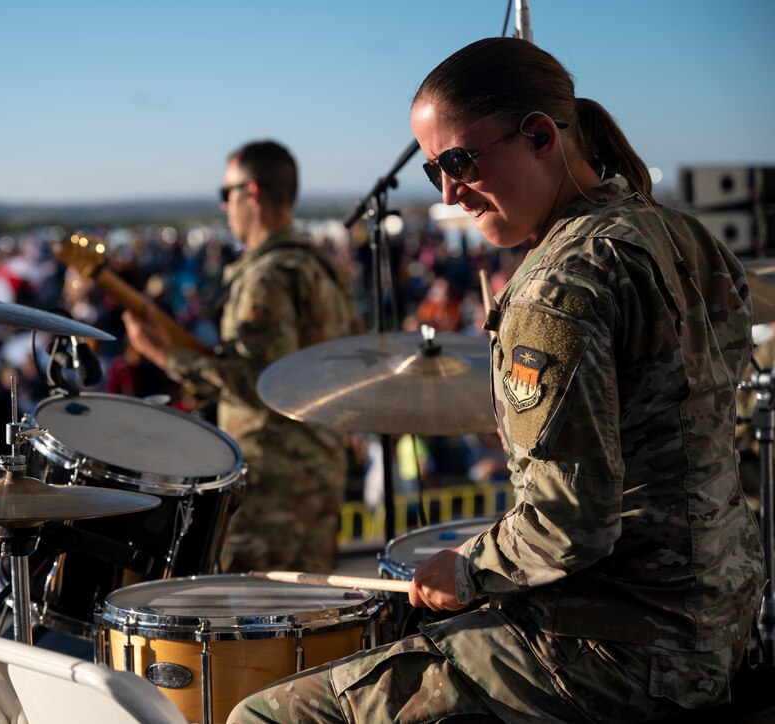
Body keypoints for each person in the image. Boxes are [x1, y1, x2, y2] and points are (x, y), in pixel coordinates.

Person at [229, 37, 764, 723]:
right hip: (720, 622)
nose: (450, 193)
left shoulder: (557, 286)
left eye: (459, 162)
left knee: (263, 715)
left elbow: (568, 526)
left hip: (618, 651)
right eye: (433, 173)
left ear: (540, 135)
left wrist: (467, 569)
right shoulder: (684, 235)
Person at [123, 139, 361, 573]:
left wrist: (165, 355)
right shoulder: (320, 268)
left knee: (255, 629)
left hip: (272, 493)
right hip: (319, 477)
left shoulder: (267, 278)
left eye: (225, 194)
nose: (224, 207)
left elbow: (261, 383)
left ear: (251, 193)